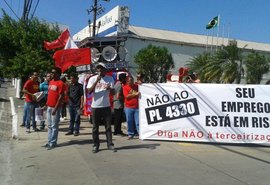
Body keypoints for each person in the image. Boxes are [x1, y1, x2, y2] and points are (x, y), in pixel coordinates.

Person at [87, 63, 117, 153]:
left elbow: (114, 92)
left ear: (105, 70)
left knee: (108, 127)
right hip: (95, 106)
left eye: (101, 68)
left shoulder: (110, 78)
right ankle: (96, 145)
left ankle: (110, 144)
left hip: (106, 106)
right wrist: (96, 81)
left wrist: (110, 88)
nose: (99, 70)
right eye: (98, 68)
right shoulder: (92, 78)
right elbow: (89, 91)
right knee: (95, 127)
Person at [45, 67, 64, 150]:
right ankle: (49, 141)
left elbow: (61, 97)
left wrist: (55, 108)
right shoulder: (51, 82)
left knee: (54, 126)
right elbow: (50, 94)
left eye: (53, 73)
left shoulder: (60, 83)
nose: (51, 74)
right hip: (49, 106)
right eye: (51, 72)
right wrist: (46, 104)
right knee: (49, 125)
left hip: (55, 108)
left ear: (58, 74)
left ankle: (53, 142)